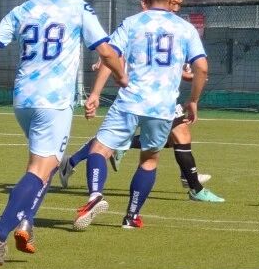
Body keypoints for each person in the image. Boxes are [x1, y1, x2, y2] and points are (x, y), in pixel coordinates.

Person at [0, 0, 127, 265]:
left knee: (47, 164)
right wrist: (122, 76)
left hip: (23, 99)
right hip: (53, 101)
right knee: (40, 169)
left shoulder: (24, 9)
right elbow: (106, 50)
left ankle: (26, 223)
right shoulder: (78, 8)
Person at [74, 0, 217, 233]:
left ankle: (95, 195)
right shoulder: (185, 28)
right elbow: (202, 68)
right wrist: (193, 100)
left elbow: (109, 56)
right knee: (149, 160)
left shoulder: (132, 23)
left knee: (98, 150)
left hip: (130, 100)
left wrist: (95, 92)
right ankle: (131, 217)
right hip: (162, 107)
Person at [58, 59, 215, 195]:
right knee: (179, 134)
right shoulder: (146, 33)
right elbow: (116, 51)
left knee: (175, 137)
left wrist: (187, 74)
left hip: (159, 94)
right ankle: (191, 182)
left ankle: (72, 161)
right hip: (143, 94)